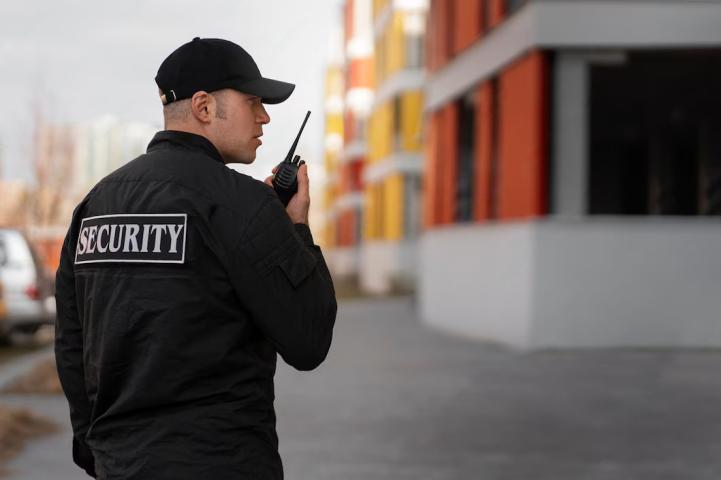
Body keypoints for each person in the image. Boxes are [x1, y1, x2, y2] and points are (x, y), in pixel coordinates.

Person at [54, 37, 337, 479]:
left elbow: (73, 344)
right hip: (222, 463)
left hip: (120, 465)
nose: (264, 116)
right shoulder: (244, 205)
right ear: (204, 107)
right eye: (253, 101)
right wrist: (296, 227)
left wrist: (98, 450)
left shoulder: (96, 204)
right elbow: (309, 339)